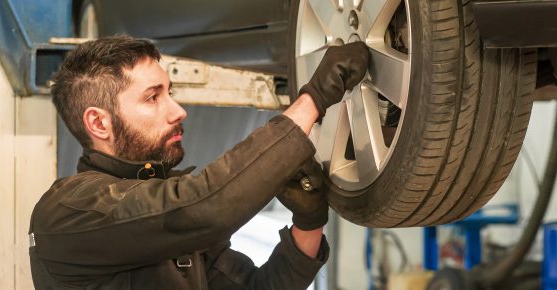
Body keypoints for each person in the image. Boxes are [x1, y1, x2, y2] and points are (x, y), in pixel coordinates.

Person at [28, 35, 369, 289]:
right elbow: (205, 206)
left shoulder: (168, 209)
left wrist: (309, 222)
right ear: (98, 123)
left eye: (170, 92)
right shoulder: (70, 211)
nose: (178, 111)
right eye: (152, 97)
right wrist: (314, 98)